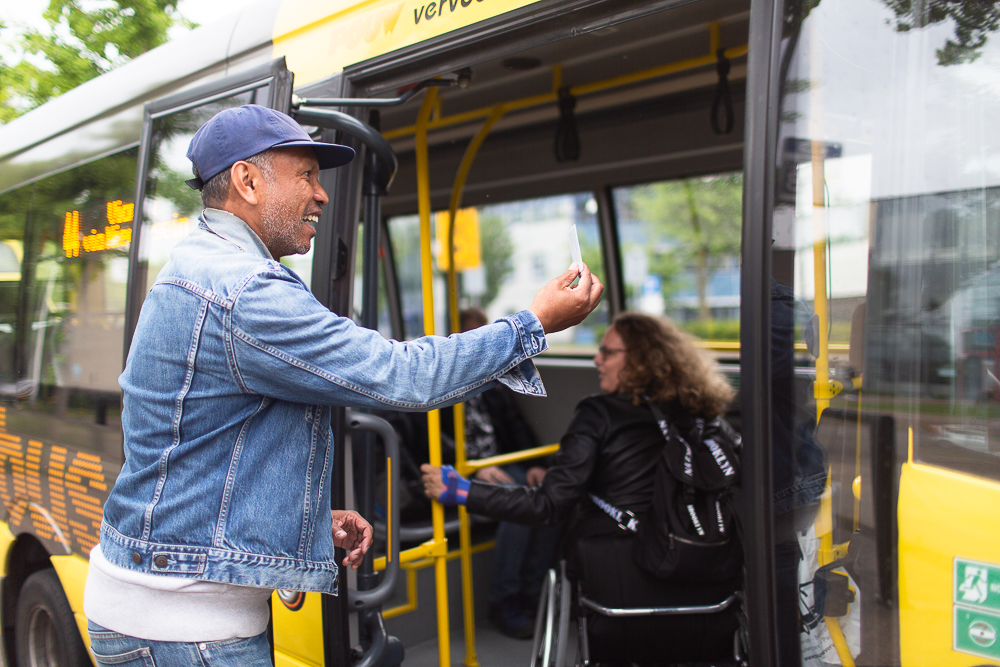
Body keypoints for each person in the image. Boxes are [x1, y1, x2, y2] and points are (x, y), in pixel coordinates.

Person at [82, 104, 603, 666]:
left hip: (168, 605)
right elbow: (404, 375)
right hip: (186, 628)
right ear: (247, 181)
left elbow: (205, 447)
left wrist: (299, 517)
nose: (322, 195)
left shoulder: (202, 267)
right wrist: (532, 324)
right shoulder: (246, 290)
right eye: (306, 175)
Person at [422, 312, 740, 664]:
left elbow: (547, 506)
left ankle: (516, 600)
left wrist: (461, 491)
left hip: (620, 592)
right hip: (712, 590)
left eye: (608, 352)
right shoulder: (705, 417)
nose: (597, 360)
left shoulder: (598, 414)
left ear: (640, 360)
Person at [457, 307, 562, 639]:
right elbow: (431, 443)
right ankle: (503, 600)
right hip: (463, 470)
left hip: (501, 464)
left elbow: (516, 426)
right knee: (517, 501)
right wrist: (476, 468)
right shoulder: (442, 381)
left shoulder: (494, 379)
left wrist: (536, 465)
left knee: (550, 495)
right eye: (472, 335)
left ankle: (533, 593)